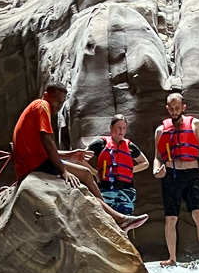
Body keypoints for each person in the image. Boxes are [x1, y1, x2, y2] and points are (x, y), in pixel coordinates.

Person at [12, 83, 147, 232]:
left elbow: (43, 149)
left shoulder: (37, 108)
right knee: (84, 178)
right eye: (56, 99)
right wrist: (63, 171)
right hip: (34, 164)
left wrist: (70, 155)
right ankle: (117, 218)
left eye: (62, 101)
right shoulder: (42, 106)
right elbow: (47, 140)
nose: (59, 105)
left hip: (35, 160)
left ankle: (112, 216)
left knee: (86, 174)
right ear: (46, 95)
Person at [152, 92, 199, 266]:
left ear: (183, 107)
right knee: (171, 218)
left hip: (191, 174)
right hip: (171, 175)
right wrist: (156, 170)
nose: (174, 111)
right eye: (171, 108)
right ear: (167, 108)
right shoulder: (160, 130)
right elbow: (157, 157)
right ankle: (172, 258)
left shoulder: (195, 124)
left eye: (177, 108)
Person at [85, 115, 149, 219]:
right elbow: (80, 158)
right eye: (118, 127)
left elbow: (145, 163)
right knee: (106, 218)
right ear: (111, 128)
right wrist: (95, 173)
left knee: (126, 219)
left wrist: (129, 170)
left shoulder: (130, 146)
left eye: (124, 128)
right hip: (105, 188)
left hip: (126, 189)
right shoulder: (101, 143)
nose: (121, 131)